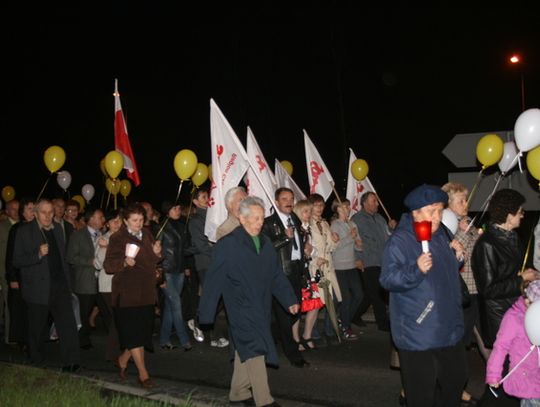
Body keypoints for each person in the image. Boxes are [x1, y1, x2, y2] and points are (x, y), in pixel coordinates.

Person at [199, 196, 299, 407]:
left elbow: (275, 274)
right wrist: (206, 314)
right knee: (256, 346)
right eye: (254, 218)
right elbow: (214, 280)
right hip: (240, 305)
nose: (259, 222)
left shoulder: (265, 243)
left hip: (261, 304)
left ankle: (238, 392)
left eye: (261, 218)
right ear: (242, 218)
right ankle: (264, 400)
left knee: (246, 347)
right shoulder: (228, 244)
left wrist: (289, 298)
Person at [380, 184, 467, 407]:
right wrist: (416, 269)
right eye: (432, 211)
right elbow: (388, 279)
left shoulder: (442, 232)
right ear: (416, 212)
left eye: (440, 210)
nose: (438, 217)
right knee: (421, 394)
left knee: (456, 381)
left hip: (448, 326)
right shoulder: (400, 240)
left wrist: (457, 257)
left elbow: (444, 271)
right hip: (418, 331)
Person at [13, 198, 80, 371]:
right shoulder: (24, 231)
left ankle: (71, 361)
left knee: (67, 324)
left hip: (59, 286)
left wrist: (68, 283)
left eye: (51, 212)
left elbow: (63, 259)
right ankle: (36, 360)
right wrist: (38, 254)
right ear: (35, 213)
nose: (48, 216)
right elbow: (17, 260)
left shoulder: (57, 229)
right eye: (44, 212)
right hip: (37, 288)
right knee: (37, 327)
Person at [471, 189, 539, 352]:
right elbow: (488, 289)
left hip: (513, 307)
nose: (523, 215)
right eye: (520, 211)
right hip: (498, 313)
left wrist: (526, 276)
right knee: (506, 366)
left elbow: (508, 272)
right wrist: (521, 279)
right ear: (509, 214)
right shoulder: (487, 244)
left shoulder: (512, 237)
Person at [103, 203, 162, 388]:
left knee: (141, 334)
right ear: (126, 221)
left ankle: (122, 360)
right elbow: (108, 265)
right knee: (136, 336)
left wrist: (157, 254)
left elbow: (152, 261)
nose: (139, 223)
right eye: (134, 220)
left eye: (141, 220)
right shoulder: (118, 238)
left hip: (146, 292)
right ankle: (143, 375)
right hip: (127, 293)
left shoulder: (147, 234)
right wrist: (124, 262)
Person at [262, 187, 309, 367]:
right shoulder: (268, 223)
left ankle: (273, 334)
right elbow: (264, 250)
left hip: (296, 271)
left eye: (291, 199)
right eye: (284, 199)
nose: (289, 202)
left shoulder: (294, 219)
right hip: (280, 274)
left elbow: (297, 245)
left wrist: (305, 249)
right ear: (276, 202)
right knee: (285, 314)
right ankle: (293, 354)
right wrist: (284, 237)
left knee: (296, 312)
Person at [486, 280, 540, 407]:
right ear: (528, 302)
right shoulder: (513, 318)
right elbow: (500, 346)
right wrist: (493, 374)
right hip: (525, 376)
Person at [351, 191, 395, 331]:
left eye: (376, 201)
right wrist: (357, 259)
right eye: (373, 201)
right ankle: (382, 323)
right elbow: (353, 240)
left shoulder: (380, 218)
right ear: (364, 203)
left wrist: (391, 229)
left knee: (370, 294)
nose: (377, 204)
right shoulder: (357, 219)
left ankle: (353, 315)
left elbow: (387, 238)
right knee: (377, 293)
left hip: (382, 261)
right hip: (368, 260)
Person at [66, 206, 105, 350]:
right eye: (100, 217)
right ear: (91, 219)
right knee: (84, 312)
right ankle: (81, 340)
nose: (103, 220)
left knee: (105, 310)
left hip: (100, 281)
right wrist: (89, 261)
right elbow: (70, 257)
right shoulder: (78, 235)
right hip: (85, 281)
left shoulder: (103, 234)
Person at [307, 193, 344, 342]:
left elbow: (331, 247)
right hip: (315, 267)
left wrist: (335, 240)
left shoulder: (325, 223)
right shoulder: (307, 224)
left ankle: (330, 329)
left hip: (328, 267)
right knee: (317, 301)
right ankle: (313, 331)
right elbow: (307, 249)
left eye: (321, 205)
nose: (319, 208)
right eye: (316, 205)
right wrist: (315, 260)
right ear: (310, 206)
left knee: (333, 299)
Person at [157, 200, 192, 351]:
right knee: (176, 305)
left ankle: (164, 339)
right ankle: (185, 340)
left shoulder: (182, 225)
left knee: (171, 308)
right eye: (175, 208)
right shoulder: (161, 227)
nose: (178, 210)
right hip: (167, 272)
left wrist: (186, 266)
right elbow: (156, 252)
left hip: (179, 270)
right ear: (167, 210)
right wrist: (161, 277)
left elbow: (183, 249)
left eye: (179, 208)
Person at [330, 198, 363, 340]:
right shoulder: (334, 226)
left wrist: (359, 244)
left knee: (359, 295)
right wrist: (351, 237)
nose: (348, 209)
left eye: (348, 206)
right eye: (344, 207)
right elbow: (335, 247)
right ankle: (345, 327)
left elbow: (356, 246)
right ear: (337, 209)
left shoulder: (352, 224)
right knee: (346, 298)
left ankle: (344, 320)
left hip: (351, 265)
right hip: (339, 266)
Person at [5, 198, 34, 347]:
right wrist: (12, 277)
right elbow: (10, 255)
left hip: (34, 277)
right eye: (29, 209)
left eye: (34, 209)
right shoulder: (16, 229)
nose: (32, 212)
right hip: (19, 276)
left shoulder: (37, 228)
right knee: (19, 310)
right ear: (22, 211)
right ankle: (22, 340)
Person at [293, 199, 322, 350]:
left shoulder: (309, 229)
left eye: (309, 211)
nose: (308, 214)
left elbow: (314, 250)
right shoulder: (293, 229)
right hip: (297, 273)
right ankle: (295, 338)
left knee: (315, 305)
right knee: (296, 306)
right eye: (305, 211)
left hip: (309, 273)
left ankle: (307, 335)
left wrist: (311, 251)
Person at [94, 209, 122, 362]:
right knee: (117, 319)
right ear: (107, 224)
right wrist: (104, 249)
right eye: (113, 221)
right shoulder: (104, 239)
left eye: (119, 220)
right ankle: (114, 355)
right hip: (108, 285)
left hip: (123, 284)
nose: (117, 223)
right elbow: (97, 264)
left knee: (119, 320)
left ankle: (122, 353)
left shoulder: (124, 238)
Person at [0, 199, 19, 342]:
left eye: (18, 208)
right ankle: (8, 337)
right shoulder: (2, 227)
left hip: (21, 271)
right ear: (6, 211)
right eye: (12, 209)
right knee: (9, 304)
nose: (16, 211)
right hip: (5, 271)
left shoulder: (23, 226)